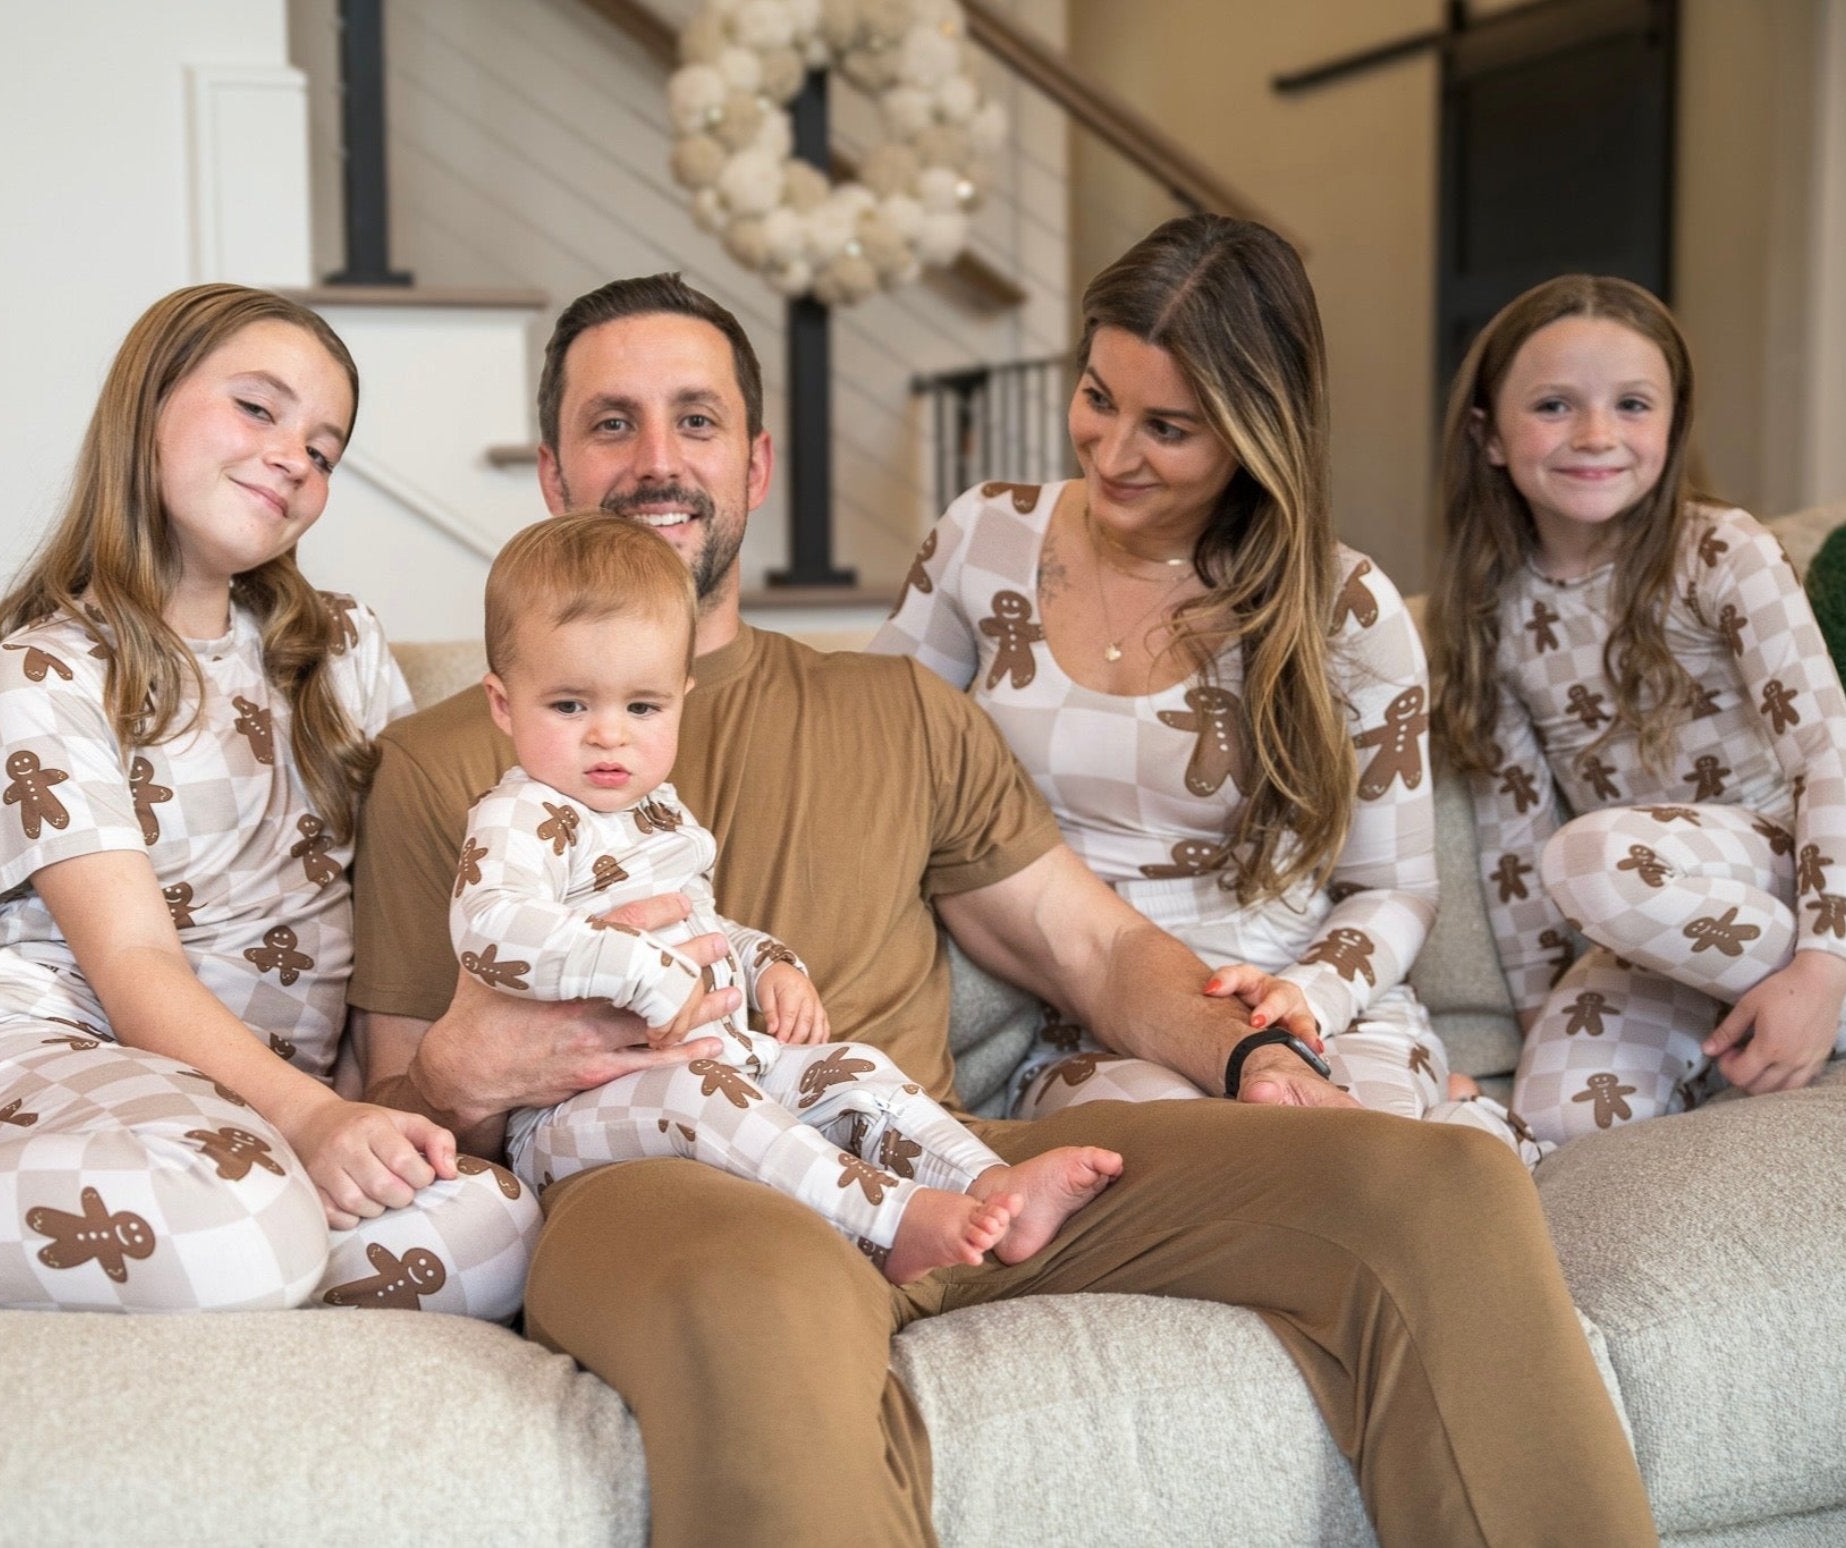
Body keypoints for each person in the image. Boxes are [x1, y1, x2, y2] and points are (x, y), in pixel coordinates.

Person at [348, 272, 1659, 1546]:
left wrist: (1252, 1054)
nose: (656, 460)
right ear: (550, 471)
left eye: (695, 420)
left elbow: (1087, 946)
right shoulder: (445, 760)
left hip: (935, 1159)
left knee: (1430, 1189)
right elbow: (397, 1112)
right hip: (662, 1181)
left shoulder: (893, 709)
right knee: (759, 1295)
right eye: (609, 423)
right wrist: (459, 1080)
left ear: (754, 465)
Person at [0, 284, 540, 1316]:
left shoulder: (344, 649)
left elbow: (389, 915)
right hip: (67, 1053)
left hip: (251, 1121)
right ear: (148, 402)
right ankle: (223, 1242)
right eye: (258, 408)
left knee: (495, 1224)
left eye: (325, 451)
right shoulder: (48, 670)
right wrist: (313, 1120)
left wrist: (361, 1111)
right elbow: (132, 963)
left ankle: (220, 1262)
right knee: (247, 1217)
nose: (294, 457)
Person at [869, 213, 1537, 1162]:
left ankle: (1462, 1131)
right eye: (1098, 398)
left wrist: (1310, 995)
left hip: (1307, 1002)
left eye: (1168, 429)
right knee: (1207, 1171)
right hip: (1094, 1022)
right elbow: (873, 754)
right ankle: (1466, 1132)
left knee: (1365, 1174)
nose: (1112, 453)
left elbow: (1394, 888)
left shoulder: (1344, 606)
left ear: (1253, 434)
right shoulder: (984, 538)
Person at [458, 510, 1121, 1281]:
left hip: (722, 1060)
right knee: (703, 1093)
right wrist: (639, 970)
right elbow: (492, 927)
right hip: (569, 1118)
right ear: (503, 704)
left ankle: (989, 1183)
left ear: (681, 697)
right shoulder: (520, 814)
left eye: (642, 707)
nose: (610, 734)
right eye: (571, 706)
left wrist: (768, 963)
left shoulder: (659, 814)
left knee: (852, 1066)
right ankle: (892, 1223)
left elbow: (702, 927)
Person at [1429, 274, 1846, 1146]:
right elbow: (1513, 841)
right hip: (1649, 923)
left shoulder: (1723, 550)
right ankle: (1745, 1027)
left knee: (1588, 857)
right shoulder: (1490, 609)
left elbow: (1827, 752)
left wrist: (1821, 962)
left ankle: (1822, 1000)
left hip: (1784, 874)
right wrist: (1544, 1018)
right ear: (1489, 436)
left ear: (1673, 424)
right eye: (1553, 405)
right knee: (1556, 1121)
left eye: (1631, 404)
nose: (1596, 435)